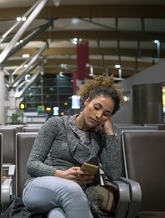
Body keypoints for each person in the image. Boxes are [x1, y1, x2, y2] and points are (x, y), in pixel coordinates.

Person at [22, 75, 124, 218]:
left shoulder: (100, 136)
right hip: (39, 188)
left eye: (106, 114)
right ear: (86, 101)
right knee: (71, 189)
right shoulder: (56, 124)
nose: (99, 115)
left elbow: (114, 173)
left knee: (57, 216)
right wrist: (61, 174)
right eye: (96, 107)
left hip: (74, 198)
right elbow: (32, 164)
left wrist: (109, 132)